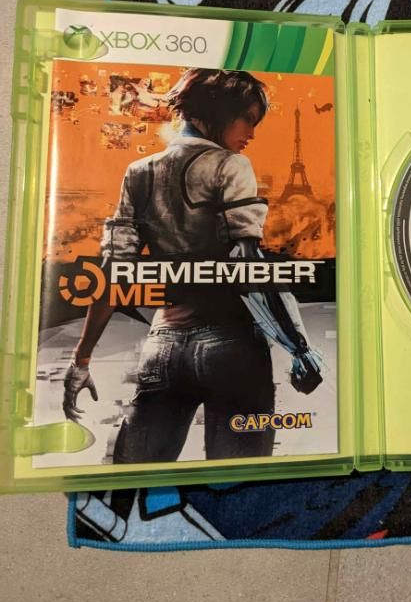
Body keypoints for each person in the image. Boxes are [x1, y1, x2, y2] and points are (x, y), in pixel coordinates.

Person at [62, 69, 323, 463]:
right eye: (247, 119)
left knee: (137, 473)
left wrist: (81, 359)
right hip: (232, 346)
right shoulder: (231, 165)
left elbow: (114, 274)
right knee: (238, 478)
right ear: (217, 111)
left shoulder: (139, 172)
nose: (252, 133)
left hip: (164, 345)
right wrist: (299, 348)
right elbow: (249, 264)